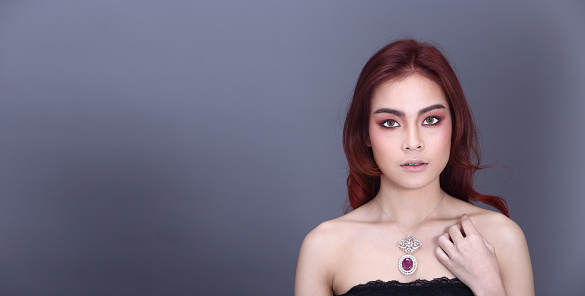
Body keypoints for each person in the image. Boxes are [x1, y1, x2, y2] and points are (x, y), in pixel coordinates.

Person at [294, 39, 534, 296]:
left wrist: (489, 286)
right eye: (389, 123)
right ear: (365, 134)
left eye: (431, 120)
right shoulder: (324, 246)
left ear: (454, 126)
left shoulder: (500, 238)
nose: (412, 143)